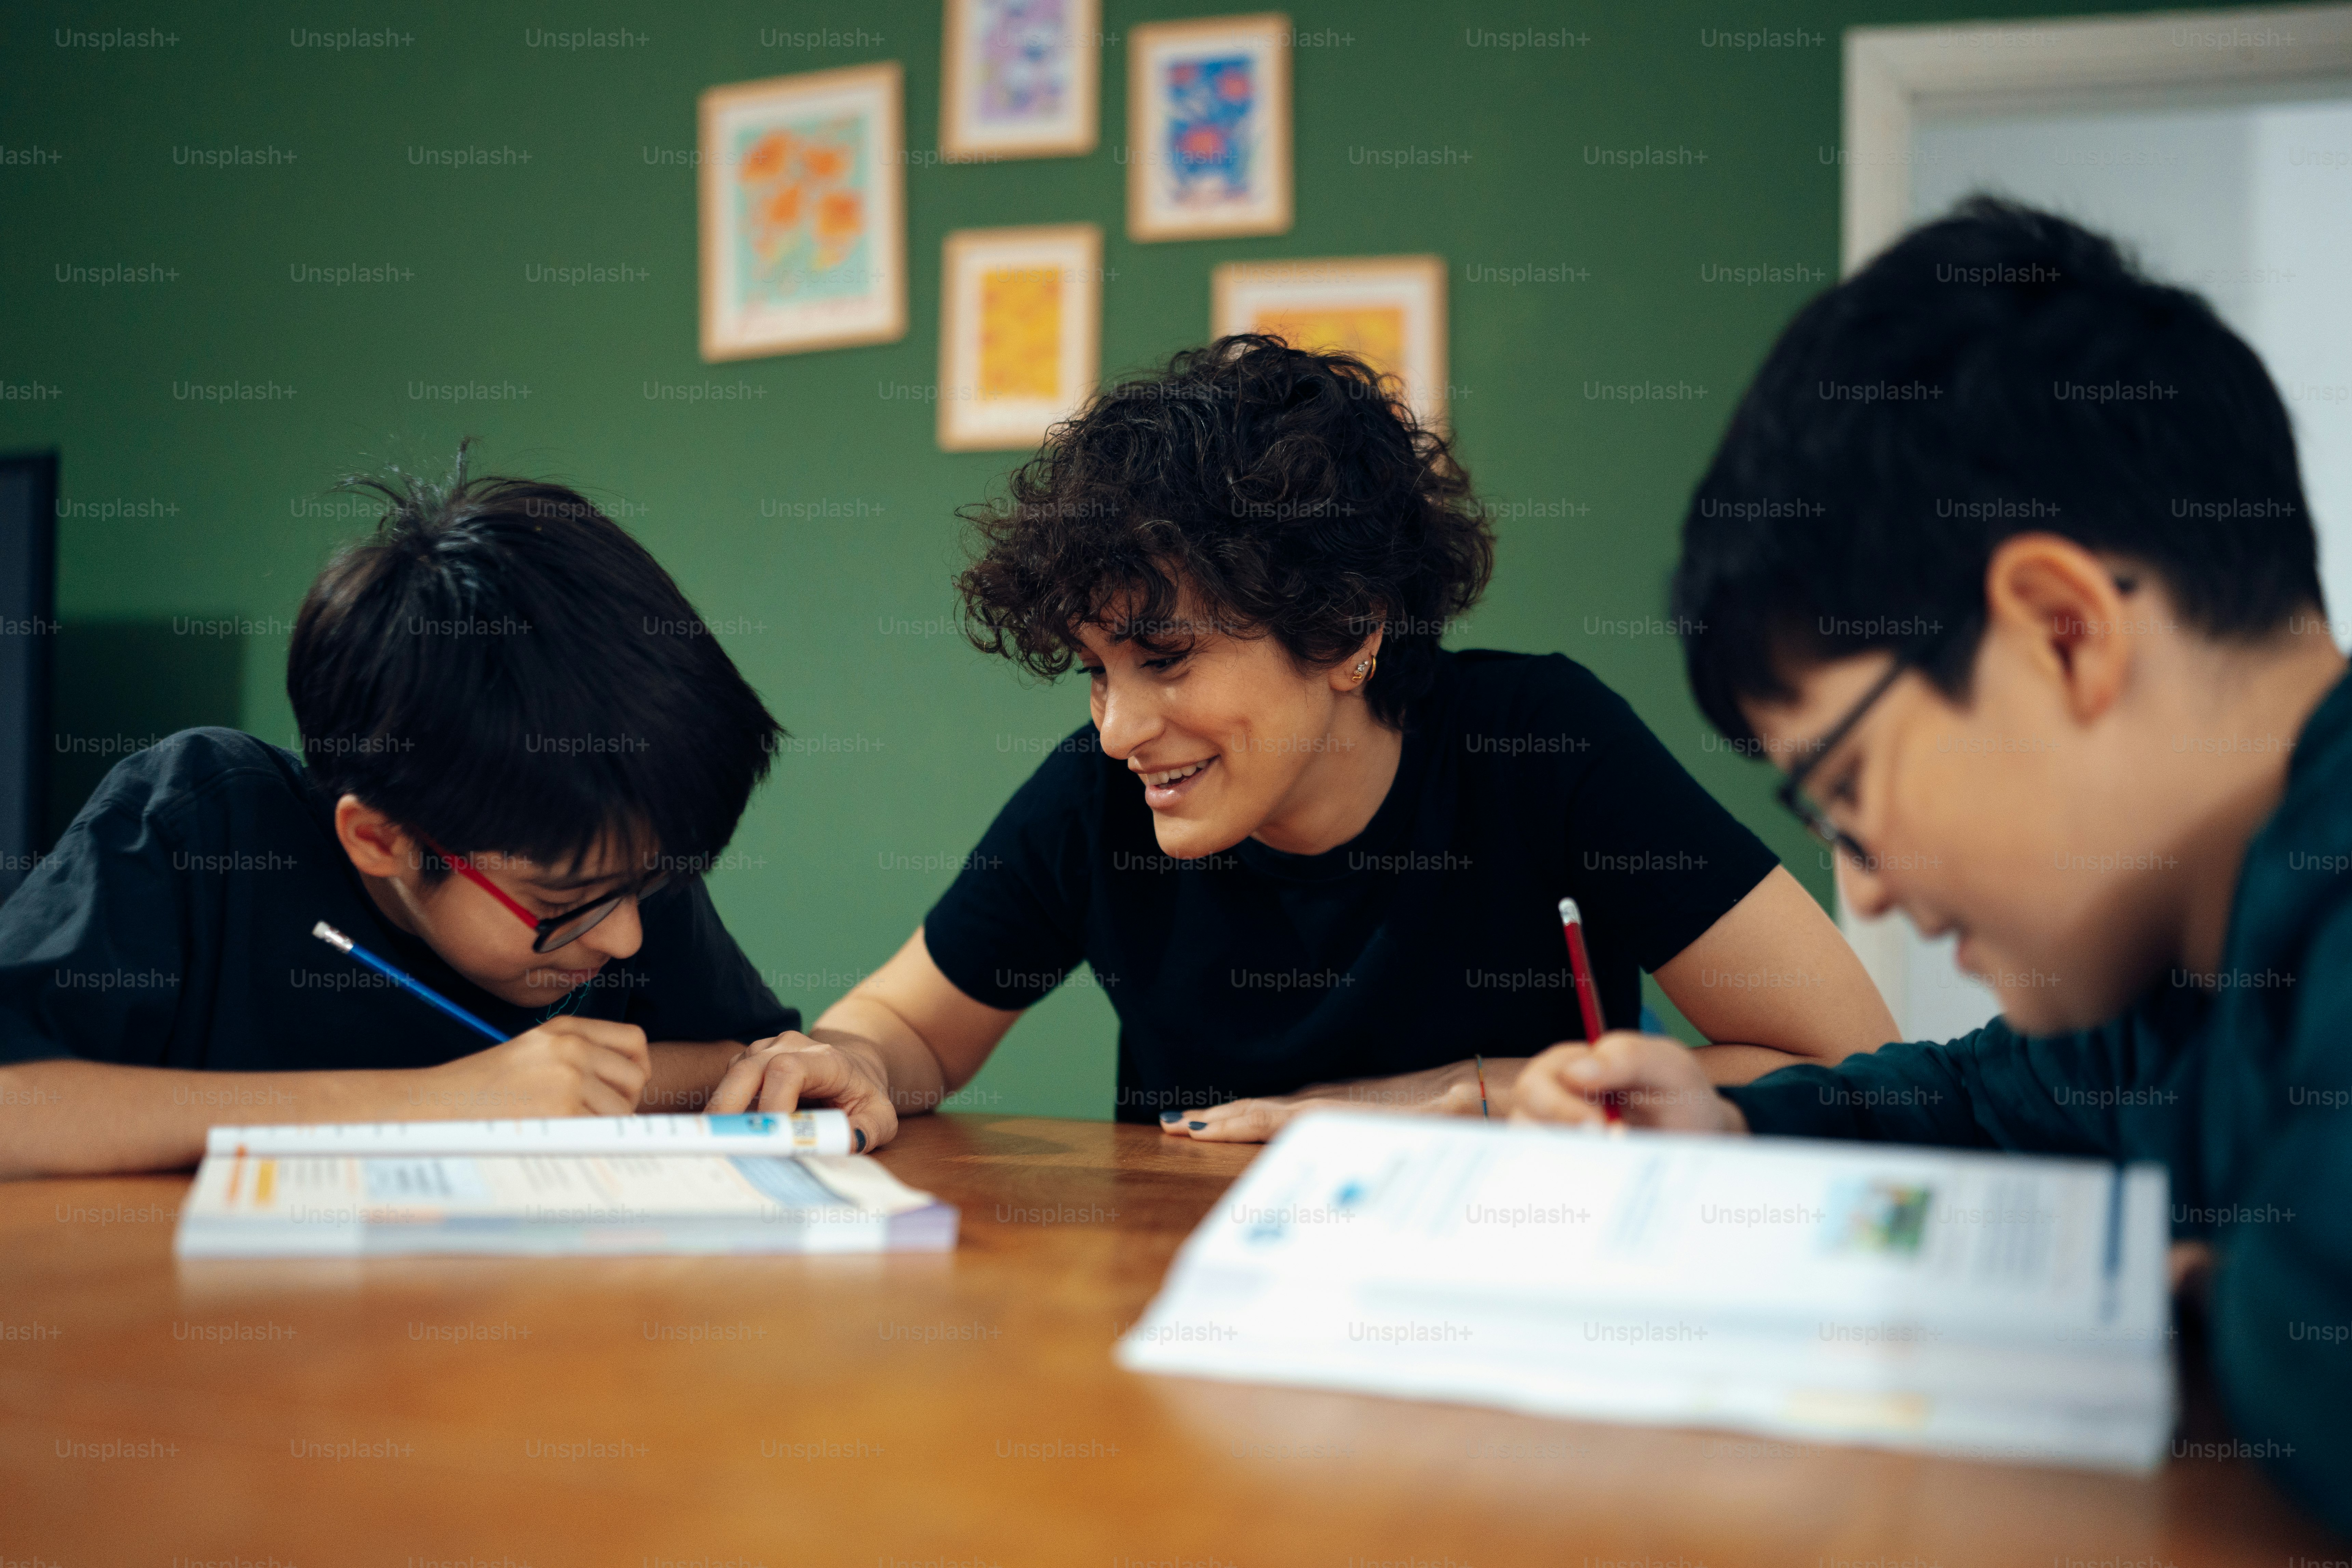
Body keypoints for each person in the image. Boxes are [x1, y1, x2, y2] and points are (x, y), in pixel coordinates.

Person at [1511, 199, 2349, 1531]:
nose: (1867, 890)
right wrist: (1729, 1123)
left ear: (2062, 633)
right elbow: (1982, 1096)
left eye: (1847, 789)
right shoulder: (2183, 976)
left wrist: (2212, 1285)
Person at [708, 336, 1899, 1143]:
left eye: (1167, 658)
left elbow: (1852, 1067)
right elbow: (909, 1024)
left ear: (1344, 629)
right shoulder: (1097, 800)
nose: (1120, 729)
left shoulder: (1541, 741)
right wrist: (855, 1060)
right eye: (1096, 672)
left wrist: (1453, 1098)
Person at [0, 449, 800, 1177]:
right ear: (380, 837)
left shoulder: (615, 854)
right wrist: (440, 1102)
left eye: (646, 885)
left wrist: (812, 1062)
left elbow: (766, 1054)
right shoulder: (202, 821)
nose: (623, 935)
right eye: (560, 906)